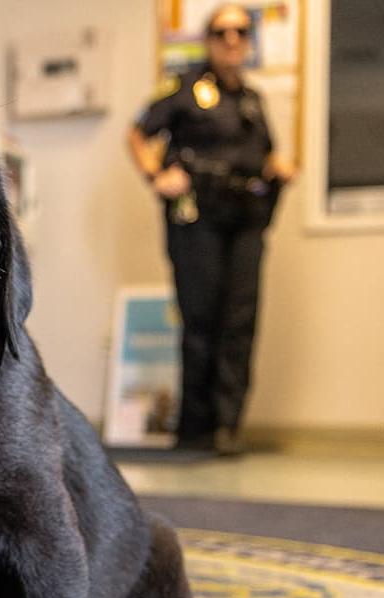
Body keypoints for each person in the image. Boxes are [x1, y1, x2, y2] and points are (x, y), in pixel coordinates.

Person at [127, 4, 295, 454]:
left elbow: (266, 154)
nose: (233, 40)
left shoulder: (253, 100)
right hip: (197, 215)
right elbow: (138, 133)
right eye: (223, 32)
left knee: (240, 320)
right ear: (210, 40)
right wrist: (155, 176)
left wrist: (277, 167)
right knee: (200, 318)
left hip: (246, 220)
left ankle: (228, 426)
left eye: (242, 32)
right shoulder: (183, 88)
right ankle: (195, 427)